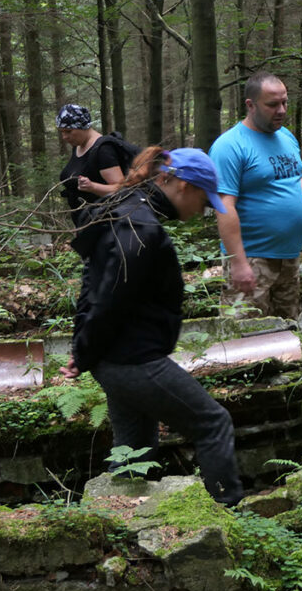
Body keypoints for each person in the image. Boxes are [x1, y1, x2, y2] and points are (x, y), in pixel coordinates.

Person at [59, 147, 245, 506]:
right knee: (213, 423)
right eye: (204, 201)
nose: (203, 211)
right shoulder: (139, 225)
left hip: (115, 358)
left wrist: (84, 348)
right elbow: (110, 294)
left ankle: (120, 527)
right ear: (181, 186)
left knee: (134, 454)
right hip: (132, 360)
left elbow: (93, 284)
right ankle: (230, 514)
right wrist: (85, 350)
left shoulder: (127, 210)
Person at [210, 71, 302, 320]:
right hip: (252, 258)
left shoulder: (285, 137)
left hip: (288, 257)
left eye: (285, 102)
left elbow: (293, 179)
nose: (282, 110)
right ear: (250, 105)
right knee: (246, 335)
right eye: (273, 104)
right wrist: (239, 264)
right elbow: (224, 206)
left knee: (288, 330)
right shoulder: (229, 146)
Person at [56, 104, 127, 227]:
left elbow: (121, 190)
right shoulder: (78, 147)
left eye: (68, 131)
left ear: (83, 126)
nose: (64, 137)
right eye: (62, 132)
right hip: (85, 225)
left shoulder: (103, 149)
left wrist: (93, 186)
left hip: (106, 225)